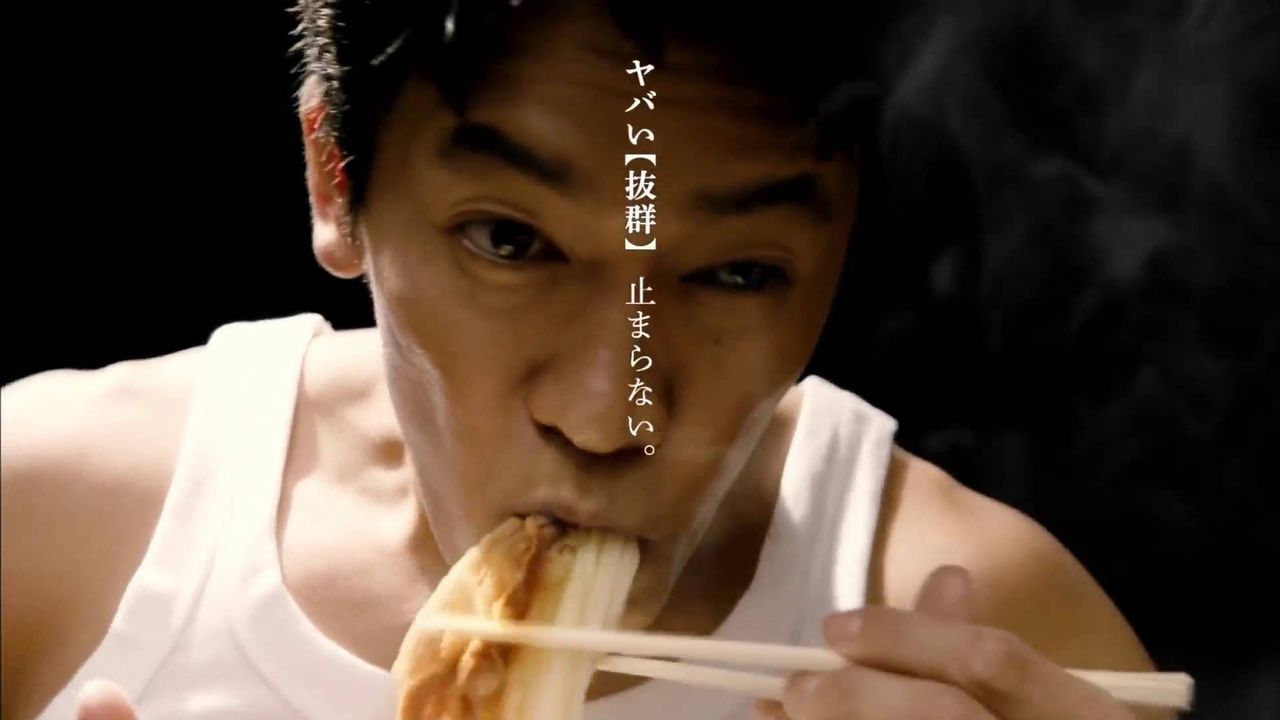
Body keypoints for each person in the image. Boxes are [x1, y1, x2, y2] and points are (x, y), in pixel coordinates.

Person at [1, 1, 1169, 718]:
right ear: (332, 175)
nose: (614, 416)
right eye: (510, 242)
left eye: (735, 272)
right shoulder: (48, 518)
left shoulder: (990, 638)